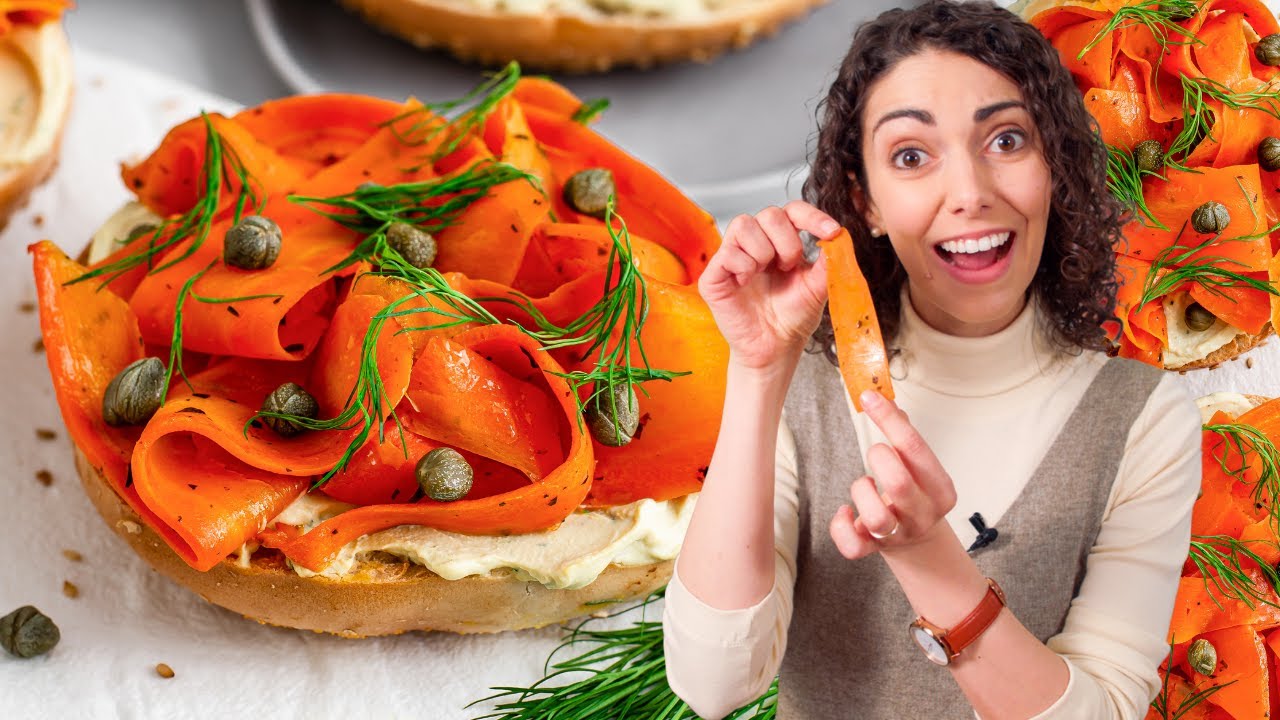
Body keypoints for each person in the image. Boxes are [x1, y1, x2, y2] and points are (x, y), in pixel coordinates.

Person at [661, 1, 1202, 718]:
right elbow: (711, 686)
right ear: (867, 202)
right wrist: (758, 372)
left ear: (1055, 168)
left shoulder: (1144, 418)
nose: (971, 194)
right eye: (911, 156)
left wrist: (928, 558)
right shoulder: (802, 388)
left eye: (1007, 140)